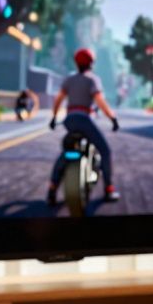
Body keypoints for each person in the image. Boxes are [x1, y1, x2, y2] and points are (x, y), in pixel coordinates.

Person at [47, 48, 122, 204]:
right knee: (105, 151)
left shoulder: (69, 79)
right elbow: (100, 102)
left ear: (76, 63)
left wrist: (54, 117)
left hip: (70, 120)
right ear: (91, 63)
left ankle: (52, 188)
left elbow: (58, 99)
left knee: (66, 152)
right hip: (85, 120)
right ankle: (108, 188)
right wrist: (113, 119)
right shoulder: (92, 80)